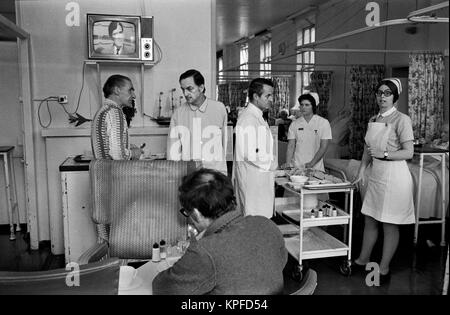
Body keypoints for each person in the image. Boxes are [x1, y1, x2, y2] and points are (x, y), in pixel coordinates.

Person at [152, 168, 287, 295]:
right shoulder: (267, 224)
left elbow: (162, 288)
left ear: (196, 214)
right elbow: (280, 262)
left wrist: (197, 244)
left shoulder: (205, 251)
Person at [352, 78, 415, 285]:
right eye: (379, 92)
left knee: (389, 224)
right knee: (370, 218)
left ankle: (384, 268)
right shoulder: (373, 119)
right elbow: (366, 150)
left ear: (395, 96)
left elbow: (409, 152)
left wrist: (385, 153)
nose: (382, 97)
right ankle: (363, 260)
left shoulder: (402, 119)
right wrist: (361, 170)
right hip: (377, 175)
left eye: (387, 93)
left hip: (395, 176)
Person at [167, 69, 228, 174]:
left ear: (201, 87)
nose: (186, 93)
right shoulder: (178, 114)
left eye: (190, 89)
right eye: (183, 89)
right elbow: (173, 150)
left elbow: (225, 142)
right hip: (190, 175)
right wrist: (174, 175)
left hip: (216, 173)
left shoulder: (219, 108)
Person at [233, 78, 277, 218]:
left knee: (259, 220)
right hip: (253, 180)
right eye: (268, 96)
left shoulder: (257, 116)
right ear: (255, 96)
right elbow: (250, 152)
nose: (271, 99)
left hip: (259, 178)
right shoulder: (248, 119)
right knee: (254, 222)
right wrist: (271, 164)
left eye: (272, 95)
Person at [91, 74, 142, 160]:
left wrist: (128, 146)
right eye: (130, 90)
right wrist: (134, 153)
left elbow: (109, 145)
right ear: (117, 90)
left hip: (102, 171)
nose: (134, 96)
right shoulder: (115, 112)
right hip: (112, 172)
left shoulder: (102, 111)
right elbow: (117, 155)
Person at [285, 92, 331, 171]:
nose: (303, 107)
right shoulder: (294, 124)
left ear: (313, 106)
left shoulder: (323, 123)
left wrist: (311, 164)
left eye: (307, 105)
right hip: (297, 166)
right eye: (301, 105)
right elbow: (291, 146)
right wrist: (287, 164)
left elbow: (323, 147)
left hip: (316, 167)